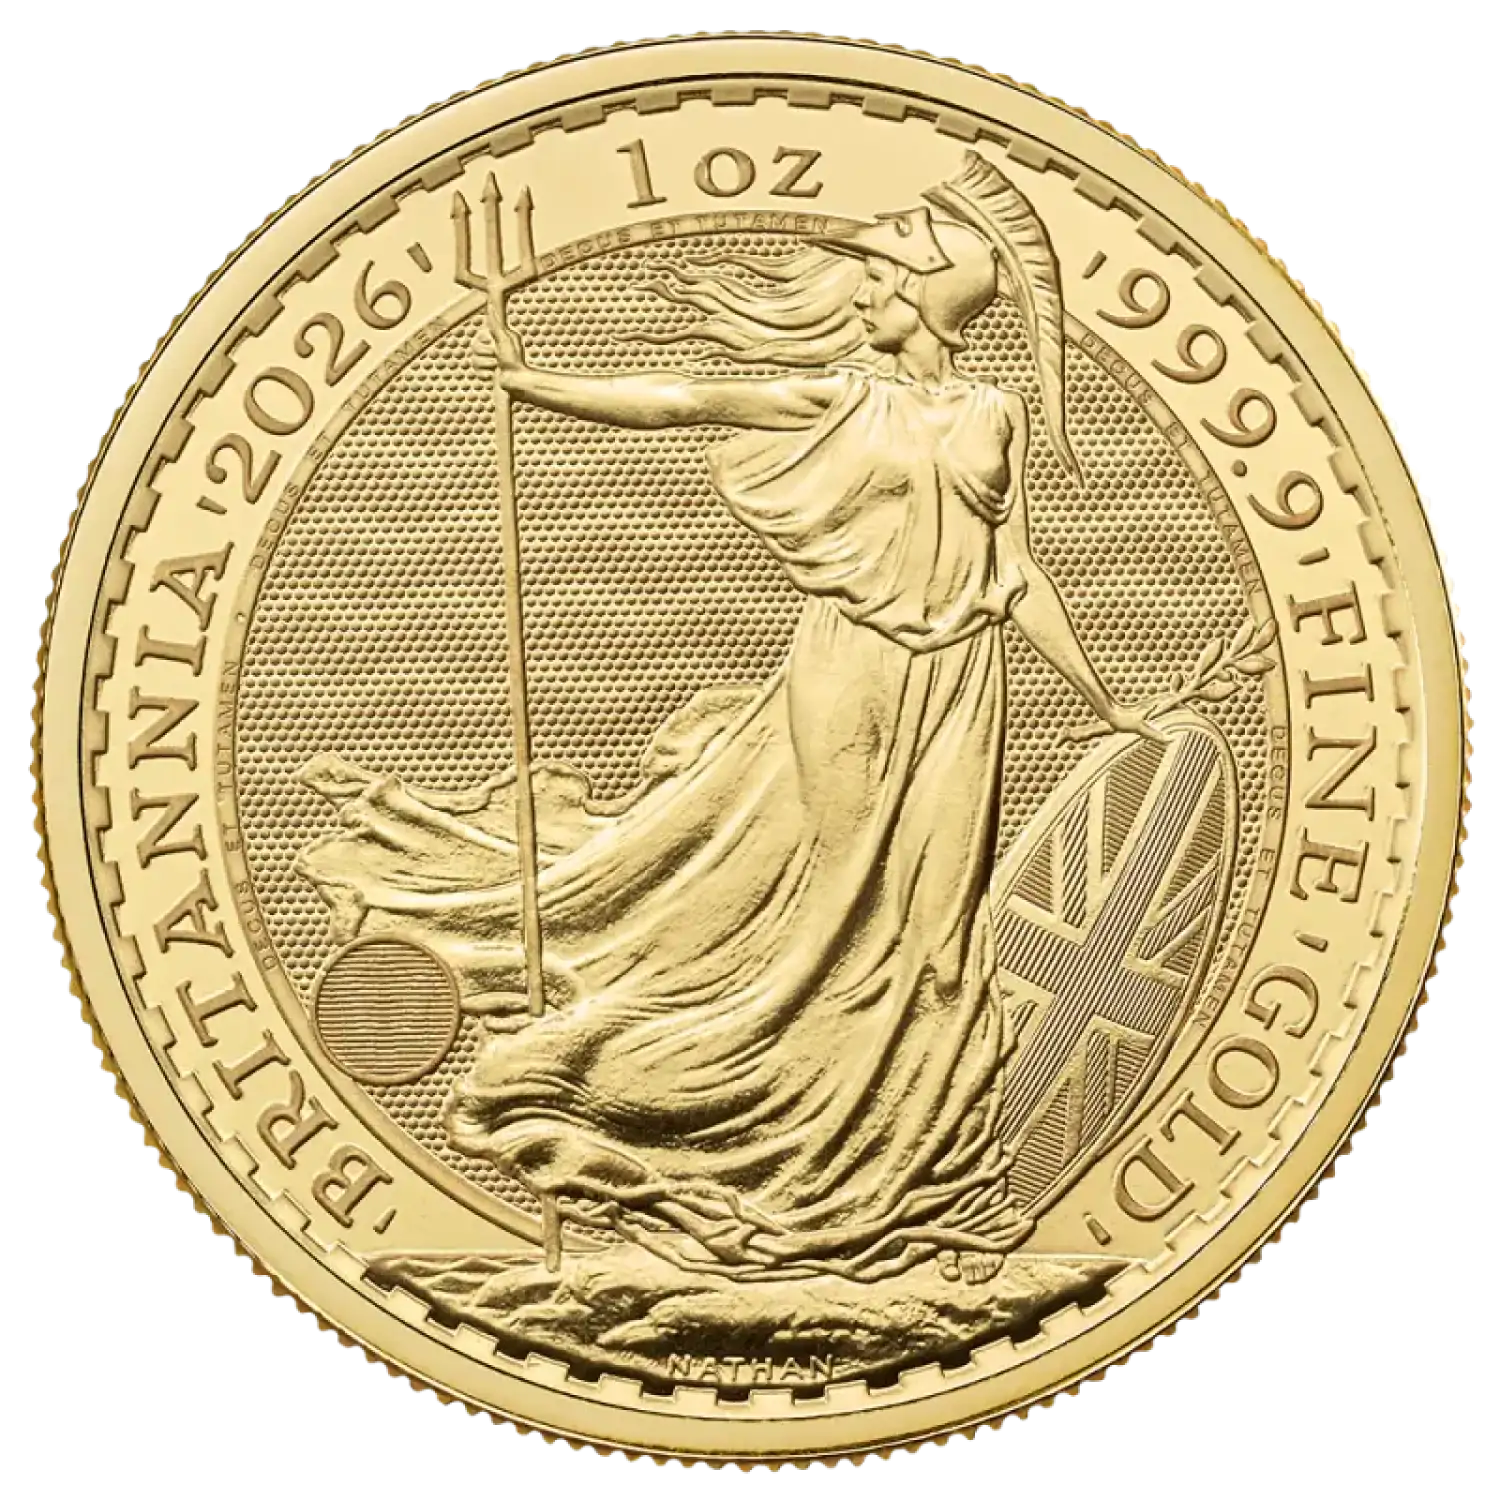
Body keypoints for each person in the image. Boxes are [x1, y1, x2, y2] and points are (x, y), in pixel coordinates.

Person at [297, 152, 1158, 1283]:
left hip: (965, 684)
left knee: (941, 936)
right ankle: (764, 1149)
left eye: (892, 272)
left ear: (929, 293)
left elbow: (1018, 571)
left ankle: (924, 1179)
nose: (872, 289)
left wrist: (1104, 700)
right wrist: (532, 381)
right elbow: (681, 400)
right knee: (840, 919)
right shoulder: (837, 396)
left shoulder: (995, 414)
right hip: (852, 672)